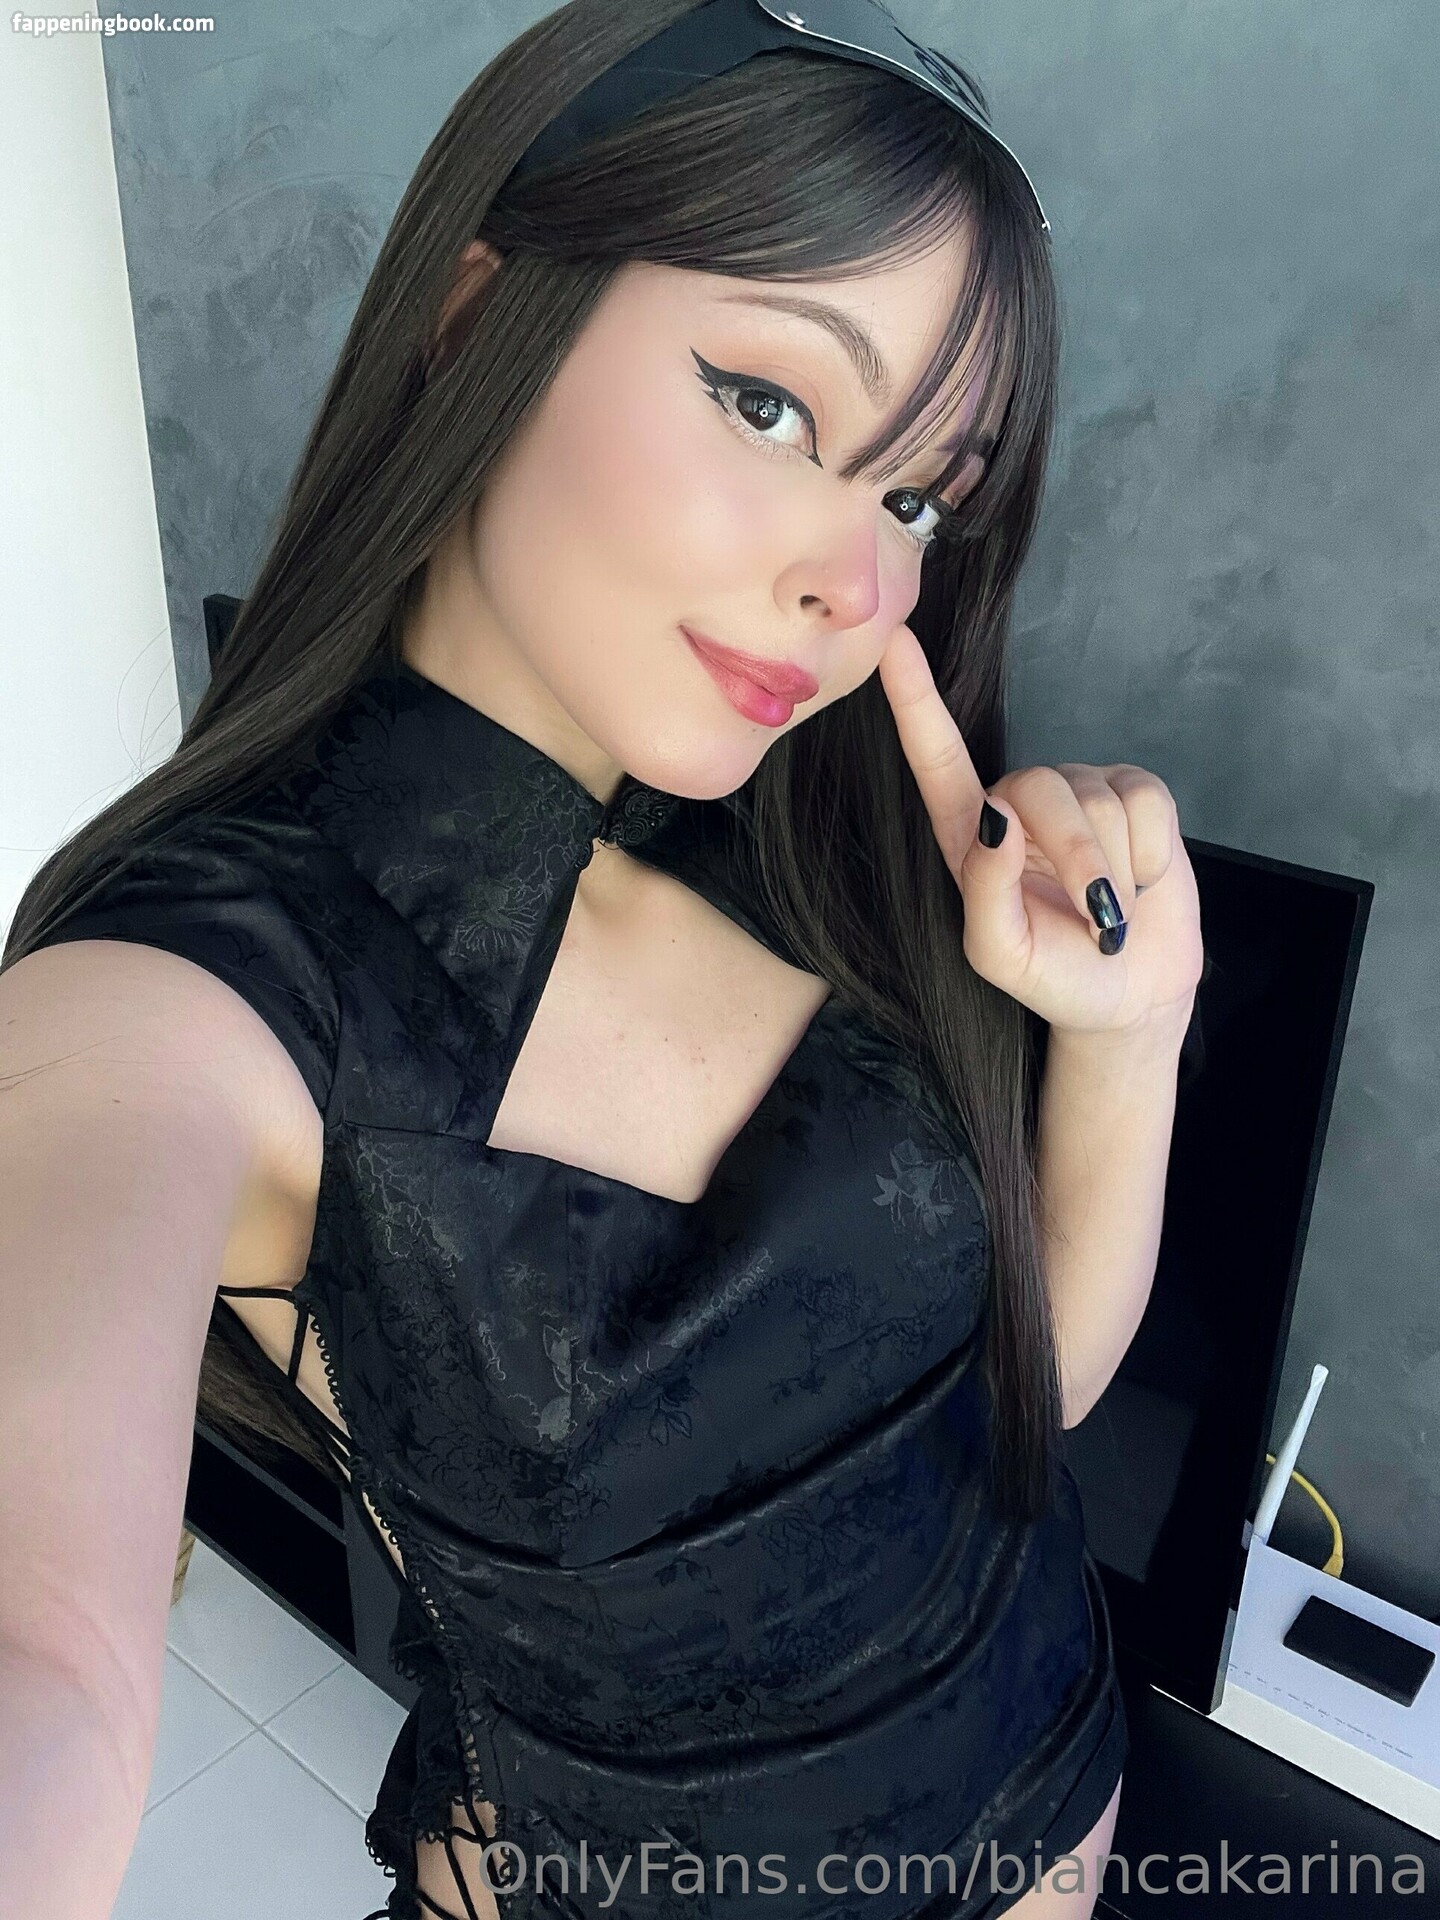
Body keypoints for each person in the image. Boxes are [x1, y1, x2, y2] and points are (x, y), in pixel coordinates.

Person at [0, 1, 1205, 1915]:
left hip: (1063, 1771)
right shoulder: (190, 996)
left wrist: (1132, 1033)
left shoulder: (841, 858)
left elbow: (1020, 1410)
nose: (860, 586)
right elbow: (43, 1661)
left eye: (915, 497)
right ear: (481, 317)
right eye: (772, 405)